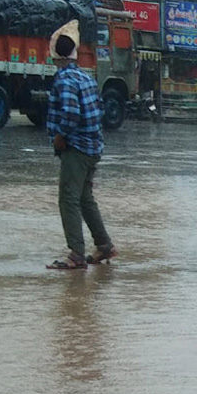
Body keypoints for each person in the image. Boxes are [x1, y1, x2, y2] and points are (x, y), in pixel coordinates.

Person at [46, 28, 114, 270]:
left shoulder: (63, 80)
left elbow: (71, 113)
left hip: (76, 148)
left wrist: (60, 137)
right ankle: (104, 245)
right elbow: (100, 109)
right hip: (94, 146)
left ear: (55, 56)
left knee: (68, 199)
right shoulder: (86, 77)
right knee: (85, 198)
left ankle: (76, 254)